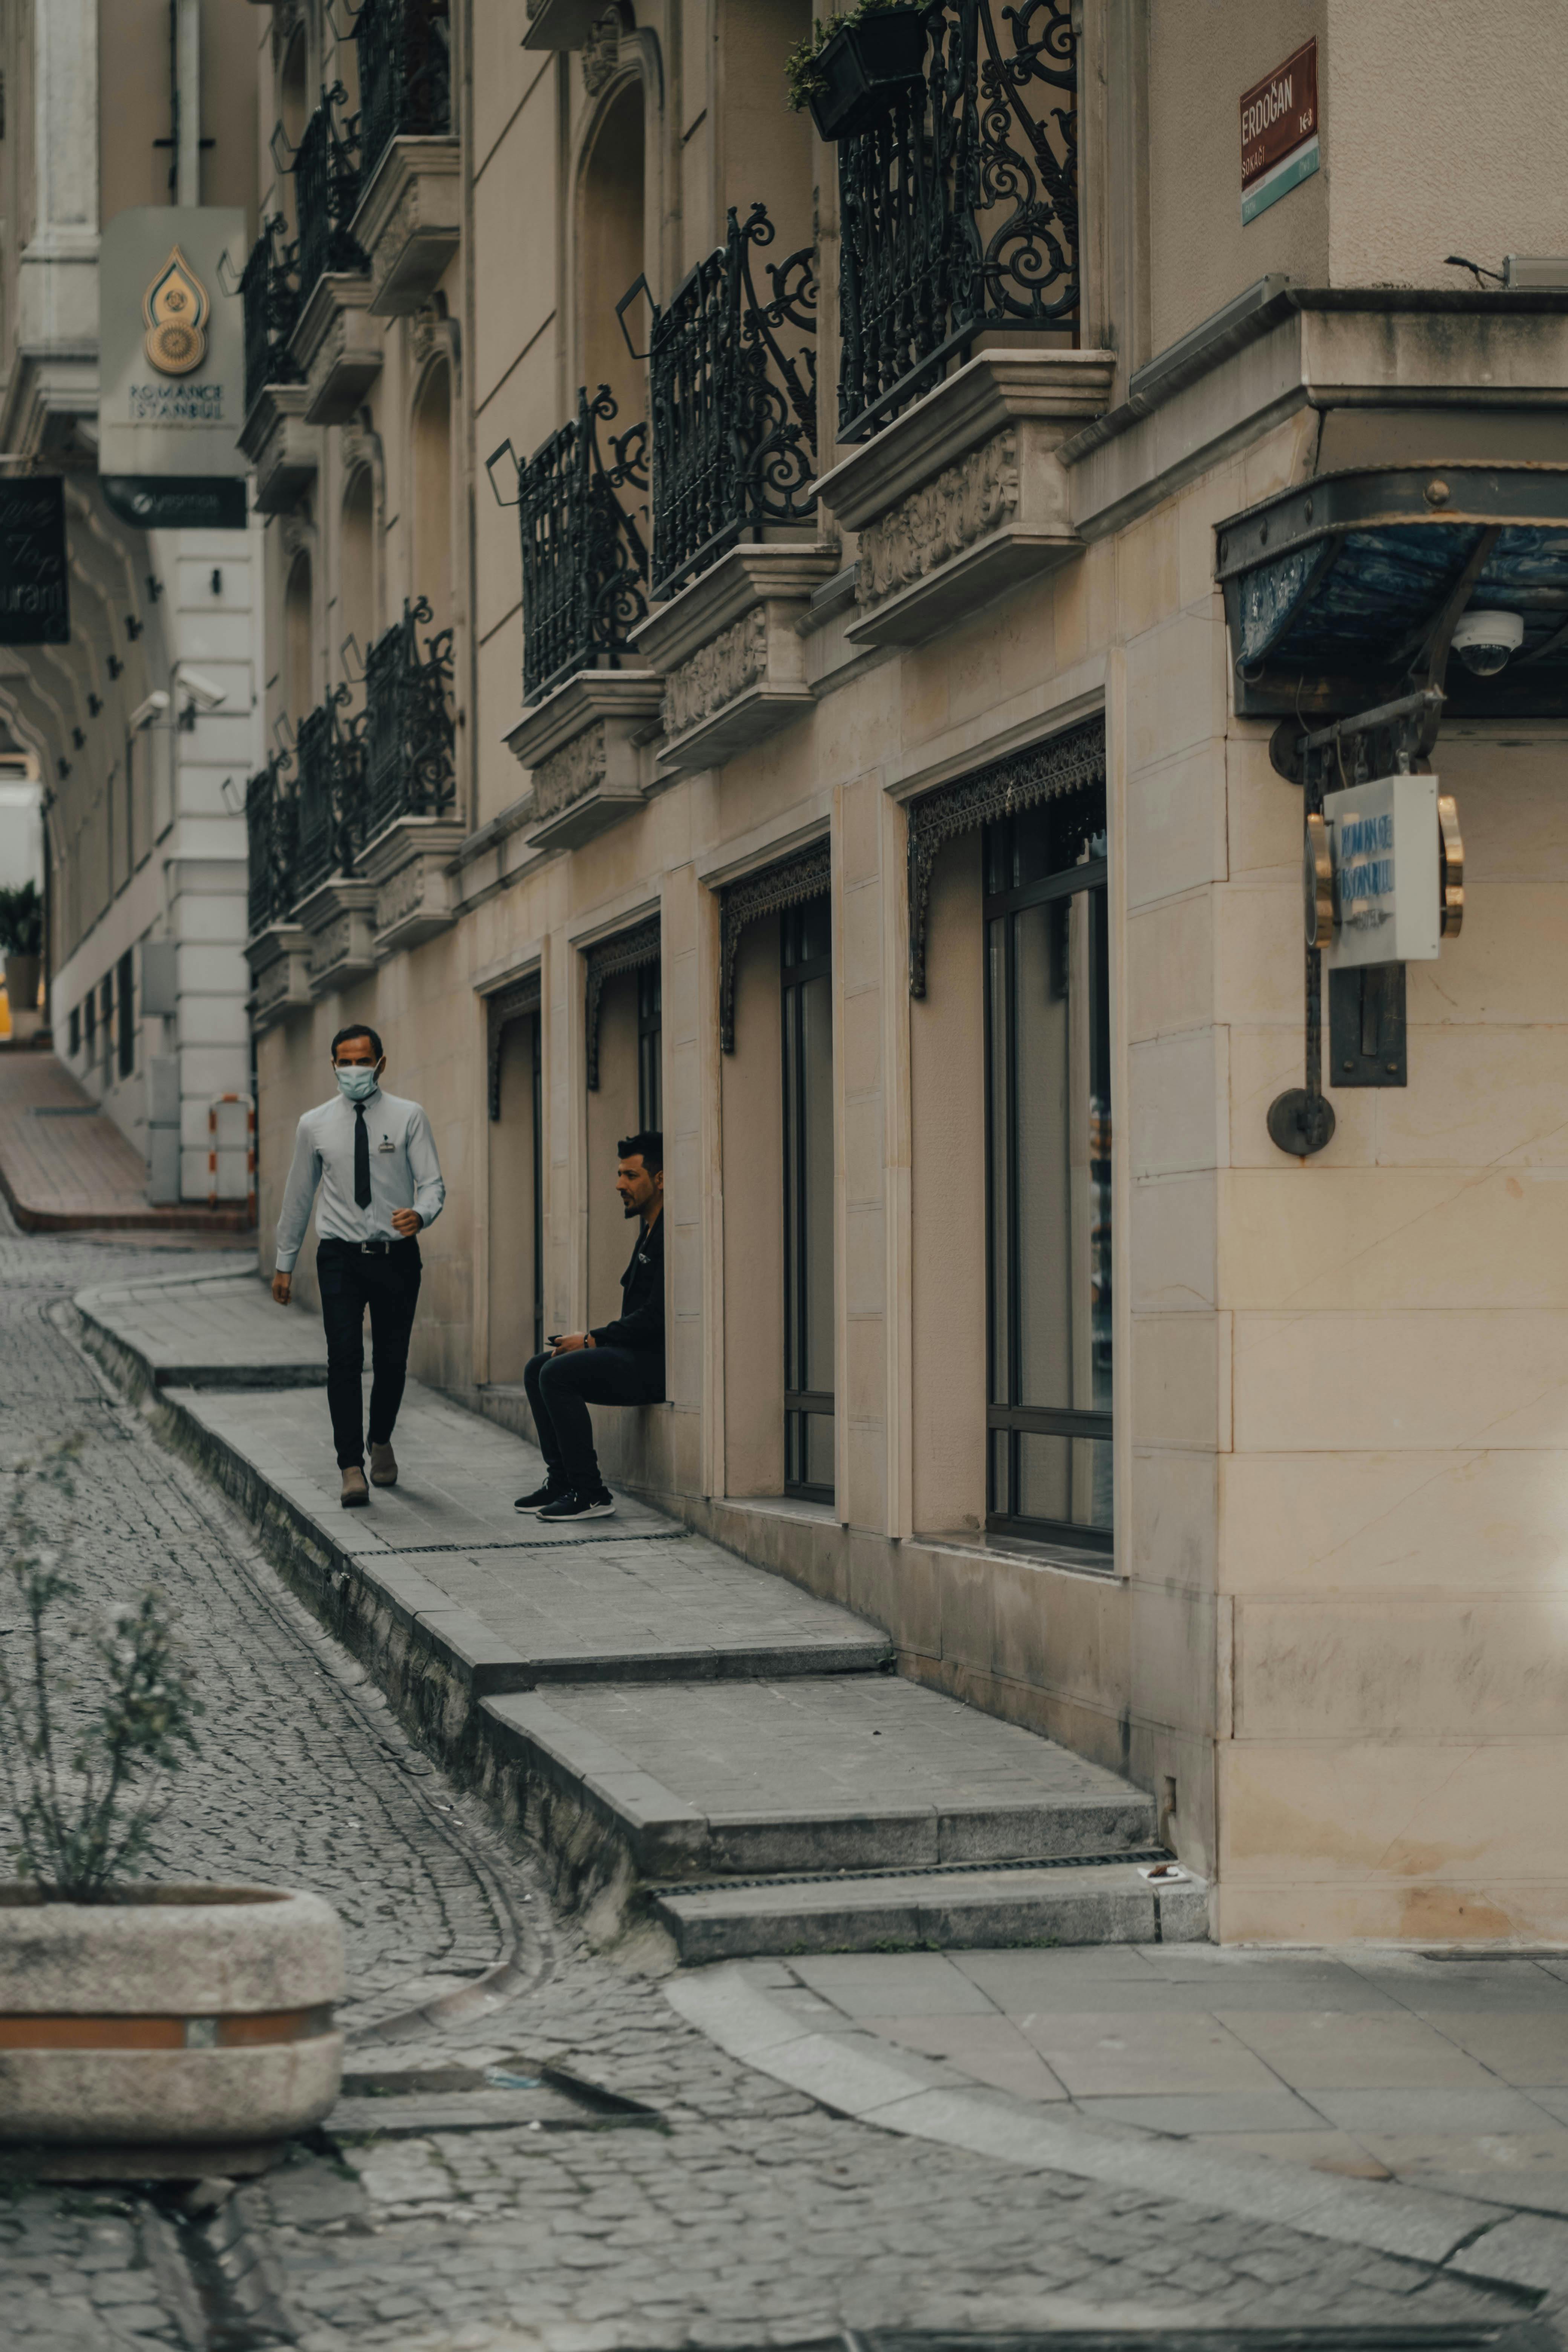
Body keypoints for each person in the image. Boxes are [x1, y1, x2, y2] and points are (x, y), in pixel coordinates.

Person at [270, 1024, 446, 1509]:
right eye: (344, 1062)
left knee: (392, 1360)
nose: (353, 1071)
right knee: (344, 1358)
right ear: (332, 1066)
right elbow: (299, 1196)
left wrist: (421, 1214)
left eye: (362, 1061)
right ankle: (350, 1465)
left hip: (396, 1256)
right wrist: (285, 1262)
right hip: (340, 1257)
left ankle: (380, 1437)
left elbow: (432, 1184)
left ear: (381, 1064)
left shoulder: (409, 1117)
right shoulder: (315, 1124)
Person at [516, 1130, 664, 1522]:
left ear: (661, 1179)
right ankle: (562, 1481)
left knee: (558, 1374)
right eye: (619, 1174)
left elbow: (656, 1317)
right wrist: (592, 1340)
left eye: (631, 1176)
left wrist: (594, 1339)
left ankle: (590, 1493)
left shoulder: (671, 1234)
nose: (619, 1185)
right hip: (634, 1355)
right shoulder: (647, 1231)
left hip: (659, 1366)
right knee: (537, 1368)